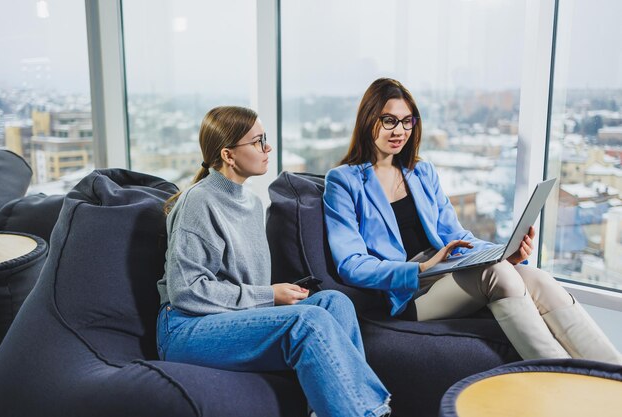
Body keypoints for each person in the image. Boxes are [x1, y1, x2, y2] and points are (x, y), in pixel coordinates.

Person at [323, 78, 622, 364]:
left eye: (407, 120)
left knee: (538, 279)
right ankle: (565, 382)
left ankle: (612, 376)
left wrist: (505, 253)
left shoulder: (421, 172)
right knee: (499, 276)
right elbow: (351, 264)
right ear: (369, 120)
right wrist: (419, 268)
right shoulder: (343, 181)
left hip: (447, 271)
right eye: (389, 120)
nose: (399, 130)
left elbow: (456, 234)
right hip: (408, 291)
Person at [156, 106, 391, 417]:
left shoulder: (252, 204)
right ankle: (366, 413)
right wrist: (270, 295)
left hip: (224, 318)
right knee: (307, 322)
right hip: (185, 327)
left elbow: (246, 289)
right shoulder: (198, 202)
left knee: (336, 304)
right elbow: (187, 292)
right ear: (228, 155)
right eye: (257, 142)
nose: (268, 148)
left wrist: (278, 297)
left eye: (265, 138)